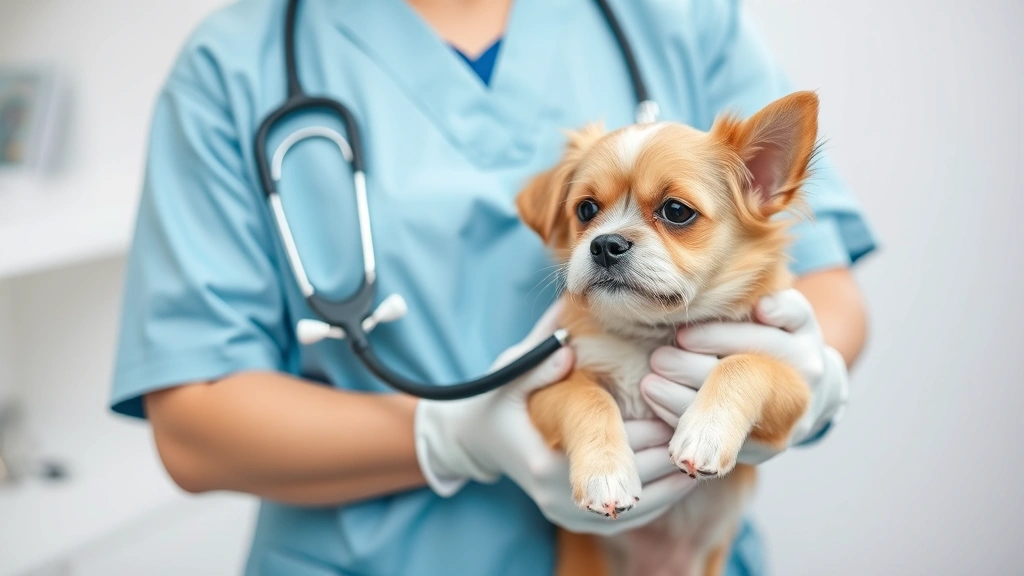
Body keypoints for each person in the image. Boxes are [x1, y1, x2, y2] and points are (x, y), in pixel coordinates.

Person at [109, 0, 877, 574]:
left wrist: (795, 378)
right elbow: (192, 422)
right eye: (588, 212)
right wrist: (449, 432)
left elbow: (829, 288)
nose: (611, 235)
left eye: (673, 211)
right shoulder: (233, 65)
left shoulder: (676, 14)